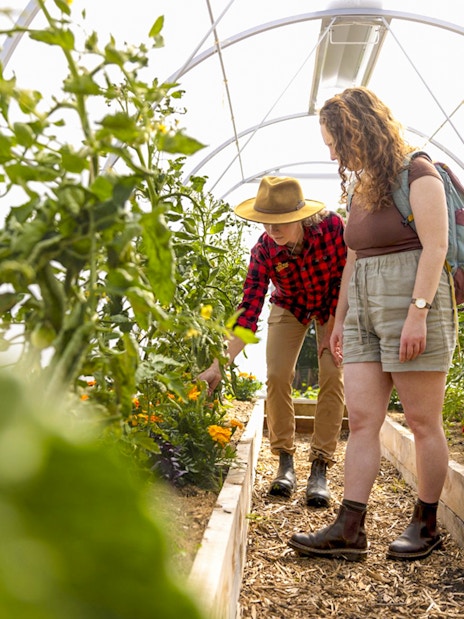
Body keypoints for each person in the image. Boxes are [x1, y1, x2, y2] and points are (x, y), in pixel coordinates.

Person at [288, 87, 456, 561]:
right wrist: (341, 320)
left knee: (423, 421)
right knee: (361, 419)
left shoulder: (417, 172)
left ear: (359, 129)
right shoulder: (360, 186)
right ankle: (350, 526)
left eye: (334, 140)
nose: (332, 151)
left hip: (411, 301)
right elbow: (353, 258)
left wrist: (418, 313)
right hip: (363, 306)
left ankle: (426, 524)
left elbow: (436, 247)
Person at [199, 176, 347, 506]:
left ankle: (320, 466)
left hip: (332, 306)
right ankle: (285, 462)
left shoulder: (334, 228)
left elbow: (344, 278)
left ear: (300, 215)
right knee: (278, 374)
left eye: (280, 222)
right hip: (289, 304)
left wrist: (334, 326)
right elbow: (249, 309)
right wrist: (219, 364)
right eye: (266, 220)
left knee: (333, 373)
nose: (272, 228)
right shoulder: (264, 249)